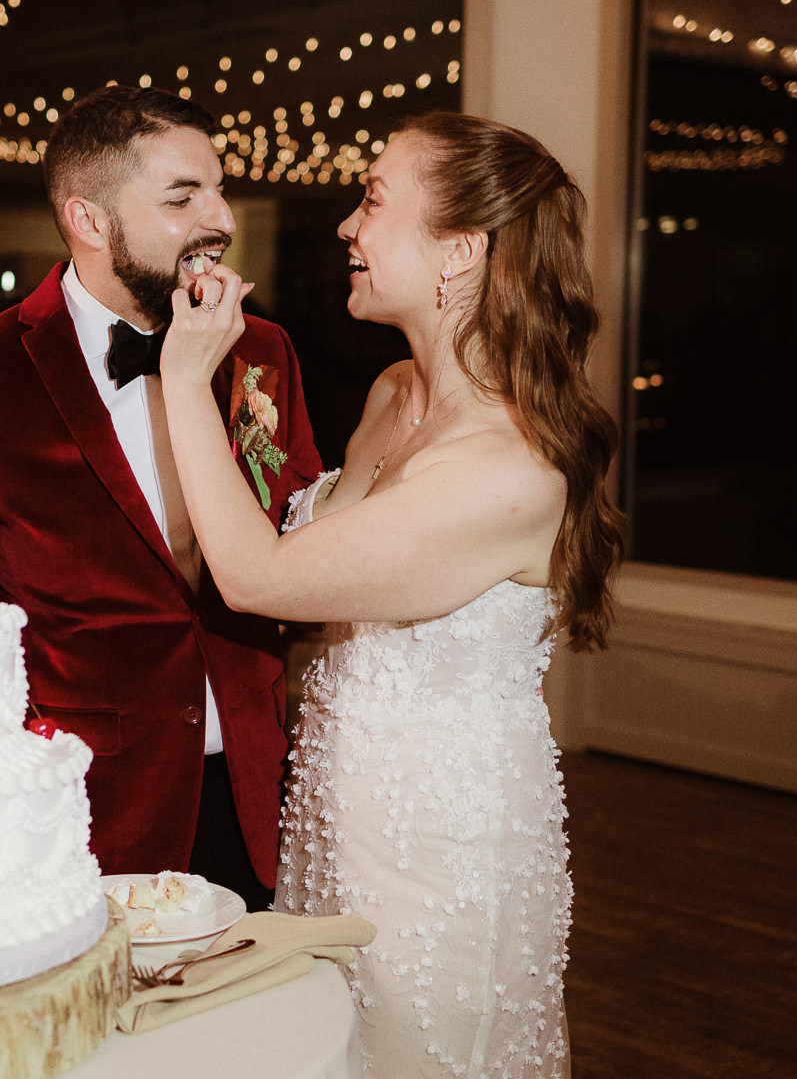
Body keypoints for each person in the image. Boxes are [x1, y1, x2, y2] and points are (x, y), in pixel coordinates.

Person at [159, 111, 625, 1077]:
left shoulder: (508, 469)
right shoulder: (392, 394)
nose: (346, 225)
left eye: (373, 200)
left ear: (460, 250)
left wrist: (185, 378)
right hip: (333, 817)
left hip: (440, 854)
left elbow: (257, 577)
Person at [0, 86, 321, 911]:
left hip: (254, 791)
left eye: (219, 189)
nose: (220, 219)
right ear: (88, 220)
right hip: (87, 809)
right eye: (182, 198)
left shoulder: (262, 351)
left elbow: (300, 537)